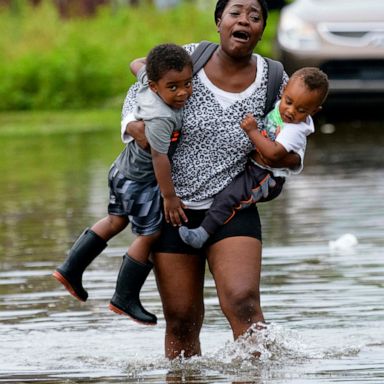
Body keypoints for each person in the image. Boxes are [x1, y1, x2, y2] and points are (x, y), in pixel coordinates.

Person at [120, 0, 301, 359]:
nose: (244, 20)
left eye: (254, 15)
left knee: (243, 302)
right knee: (181, 319)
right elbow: (139, 91)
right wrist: (133, 127)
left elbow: (294, 128)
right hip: (173, 207)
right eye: (236, 12)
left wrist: (287, 157)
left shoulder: (276, 78)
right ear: (219, 21)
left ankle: (256, 373)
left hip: (233, 206)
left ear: (262, 28)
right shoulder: (188, 59)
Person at [52, 43, 193, 325]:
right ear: (155, 87)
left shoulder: (147, 81)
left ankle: (70, 269)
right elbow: (159, 157)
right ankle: (124, 297)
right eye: (173, 87)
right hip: (141, 181)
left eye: (187, 84)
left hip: (120, 171)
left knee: (116, 220)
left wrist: (151, 67)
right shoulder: (162, 117)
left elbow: (135, 63)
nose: (183, 93)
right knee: (149, 234)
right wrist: (169, 197)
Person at [178, 67, 329, 248]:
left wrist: (252, 131)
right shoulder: (278, 106)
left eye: (301, 110)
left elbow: (273, 154)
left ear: (314, 111)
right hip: (254, 168)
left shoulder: (295, 130)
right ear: (283, 91)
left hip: (265, 177)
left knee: (229, 197)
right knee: (226, 192)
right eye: (288, 101)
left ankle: (202, 234)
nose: (290, 111)